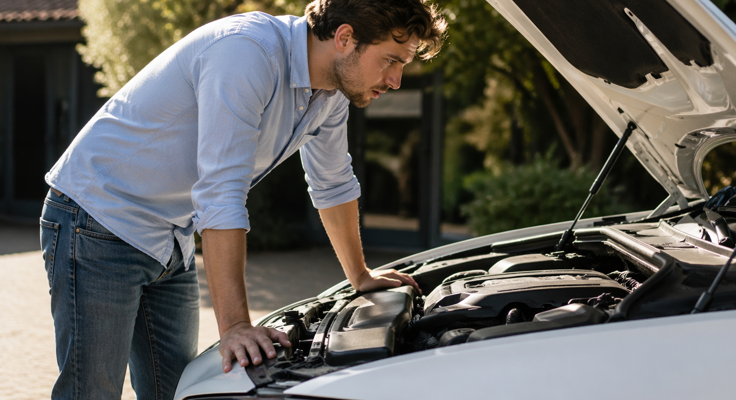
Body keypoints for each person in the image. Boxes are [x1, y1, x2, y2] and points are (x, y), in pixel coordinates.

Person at [38, 0, 447, 398]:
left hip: (169, 236)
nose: (396, 80)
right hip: (97, 219)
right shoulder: (247, 52)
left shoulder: (330, 94)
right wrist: (235, 326)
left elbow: (333, 180)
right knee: (91, 392)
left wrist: (360, 275)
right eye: (391, 60)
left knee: (177, 390)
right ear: (344, 38)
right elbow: (221, 192)